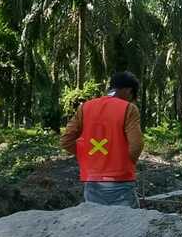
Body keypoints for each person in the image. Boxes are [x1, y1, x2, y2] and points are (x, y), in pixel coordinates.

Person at [60, 71, 143, 207]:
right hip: (120, 180)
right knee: (125, 224)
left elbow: (65, 141)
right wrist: (125, 162)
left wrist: (89, 157)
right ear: (128, 91)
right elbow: (136, 145)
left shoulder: (85, 107)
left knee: (95, 223)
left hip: (92, 180)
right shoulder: (129, 108)